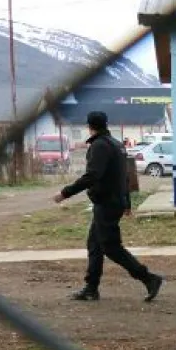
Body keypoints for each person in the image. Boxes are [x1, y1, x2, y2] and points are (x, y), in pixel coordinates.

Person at [53, 111, 163, 302]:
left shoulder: (100, 146)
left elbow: (92, 175)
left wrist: (65, 192)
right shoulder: (116, 144)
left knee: (111, 247)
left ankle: (148, 278)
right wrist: (126, 202)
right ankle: (91, 288)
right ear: (106, 124)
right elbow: (124, 177)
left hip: (107, 203)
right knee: (95, 245)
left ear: (90, 126)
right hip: (112, 201)